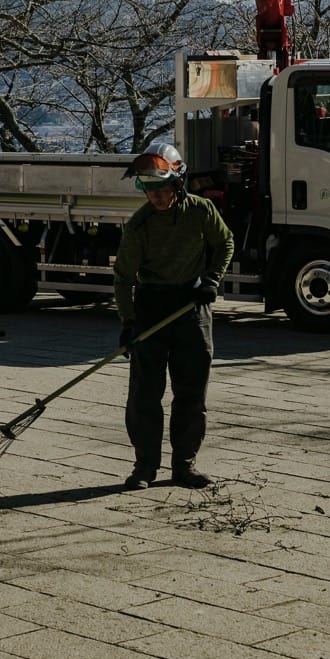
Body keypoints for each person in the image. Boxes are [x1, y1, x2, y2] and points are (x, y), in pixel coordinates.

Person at [113, 140, 234, 492]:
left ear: (178, 183)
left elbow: (225, 243)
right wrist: (128, 322)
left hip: (192, 307)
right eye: (149, 189)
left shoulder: (201, 211)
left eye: (162, 188)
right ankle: (144, 468)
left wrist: (212, 280)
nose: (156, 196)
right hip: (151, 308)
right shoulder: (139, 225)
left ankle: (184, 465)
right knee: (145, 395)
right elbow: (123, 278)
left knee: (191, 393)